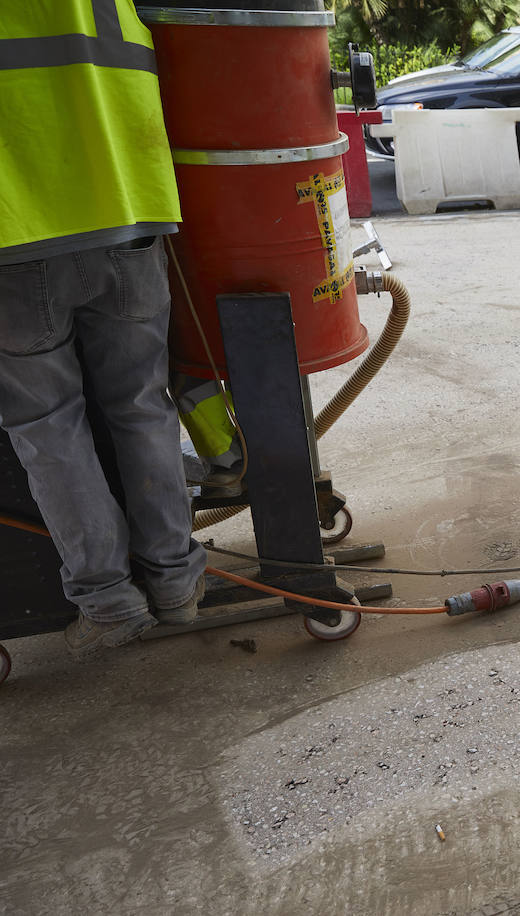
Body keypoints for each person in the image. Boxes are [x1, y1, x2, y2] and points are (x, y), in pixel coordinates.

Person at [0, 1, 207, 656]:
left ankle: (109, 604)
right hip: (130, 208)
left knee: (47, 425)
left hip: (18, 231)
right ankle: (176, 586)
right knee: (143, 407)